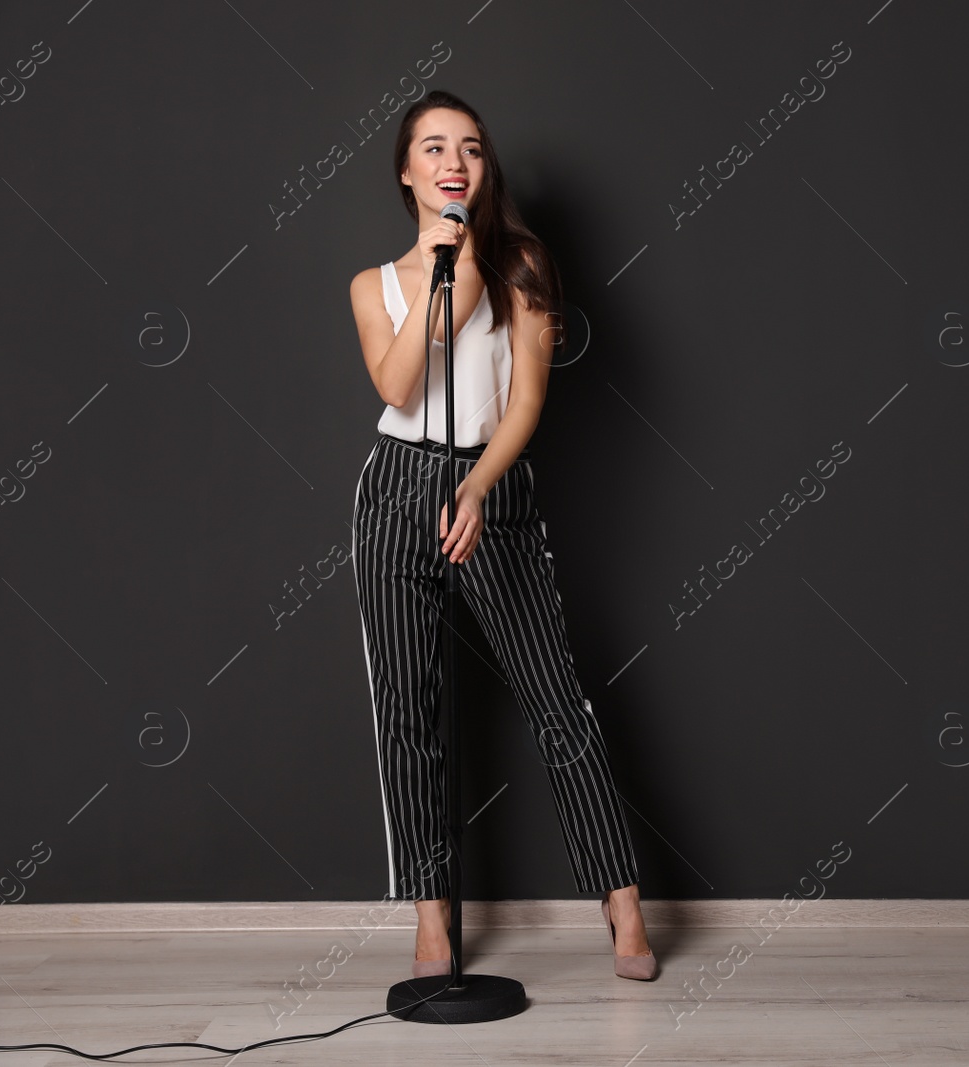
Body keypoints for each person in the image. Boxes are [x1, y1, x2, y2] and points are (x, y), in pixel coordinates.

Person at [347, 90, 656, 981]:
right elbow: (398, 390)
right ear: (407, 172)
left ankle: (623, 904)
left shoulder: (522, 265)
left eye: (471, 148)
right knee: (406, 713)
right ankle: (433, 922)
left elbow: (524, 405)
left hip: (492, 484)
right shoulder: (374, 286)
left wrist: (479, 487)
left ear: (486, 170)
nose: (454, 161)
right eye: (434, 148)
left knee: (557, 699)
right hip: (395, 488)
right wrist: (444, 271)